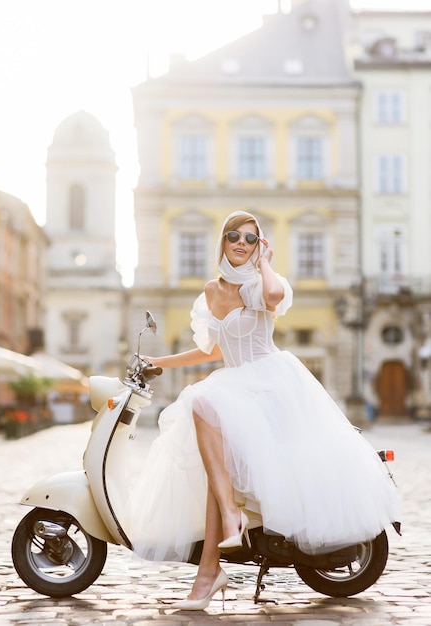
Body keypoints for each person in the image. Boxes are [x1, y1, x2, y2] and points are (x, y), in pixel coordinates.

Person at [126, 210, 400, 610]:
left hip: (269, 385)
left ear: (260, 245)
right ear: (222, 240)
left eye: (251, 239)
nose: (241, 243)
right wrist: (159, 361)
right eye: (234, 235)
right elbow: (211, 350)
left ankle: (226, 528)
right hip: (237, 388)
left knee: (201, 401)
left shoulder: (258, 285)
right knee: (208, 442)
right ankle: (210, 565)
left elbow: (273, 298)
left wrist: (266, 263)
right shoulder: (210, 290)